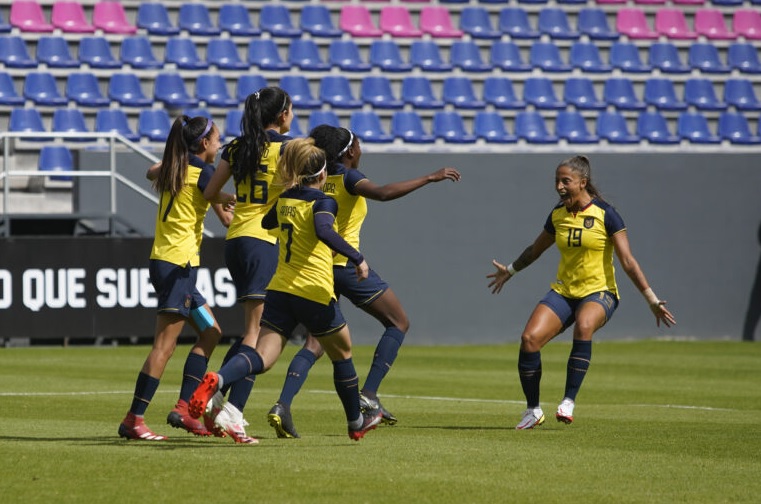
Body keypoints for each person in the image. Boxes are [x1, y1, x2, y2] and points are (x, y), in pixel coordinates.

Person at [267, 126, 461, 439]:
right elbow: (383, 193)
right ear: (348, 151)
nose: (361, 148)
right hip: (346, 267)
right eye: (358, 143)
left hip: (319, 269)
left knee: (316, 343)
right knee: (398, 322)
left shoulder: (313, 177)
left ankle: (283, 404)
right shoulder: (346, 176)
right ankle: (369, 395)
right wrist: (428, 177)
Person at [189, 137, 383, 441]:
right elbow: (322, 229)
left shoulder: (284, 199)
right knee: (342, 352)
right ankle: (356, 422)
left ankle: (218, 379)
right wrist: (357, 258)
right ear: (321, 175)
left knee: (263, 357)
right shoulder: (323, 201)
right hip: (314, 290)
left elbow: (267, 223)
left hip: (280, 290)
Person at [487, 155, 676, 430]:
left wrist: (652, 300)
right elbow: (535, 250)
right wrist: (511, 270)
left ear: (582, 182)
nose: (559, 187)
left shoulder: (606, 214)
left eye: (566, 181)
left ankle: (568, 402)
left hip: (600, 292)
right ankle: (533, 411)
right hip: (564, 292)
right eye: (557, 181)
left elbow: (628, 262)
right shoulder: (558, 214)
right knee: (529, 339)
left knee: (584, 325)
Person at [118, 116, 236, 440]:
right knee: (165, 346)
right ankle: (134, 419)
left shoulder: (177, 168)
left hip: (169, 264)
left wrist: (222, 201)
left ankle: (184, 408)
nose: (219, 145)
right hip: (178, 267)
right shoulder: (205, 174)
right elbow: (222, 201)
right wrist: (239, 199)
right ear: (203, 145)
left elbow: (151, 171)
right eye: (216, 141)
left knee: (211, 331)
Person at [199, 87, 293, 443]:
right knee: (261, 335)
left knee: (251, 331)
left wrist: (230, 205)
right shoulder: (288, 149)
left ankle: (220, 397)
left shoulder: (237, 147)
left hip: (236, 241)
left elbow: (209, 193)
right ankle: (229, 409)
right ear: (282, 114)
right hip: (264, 243)